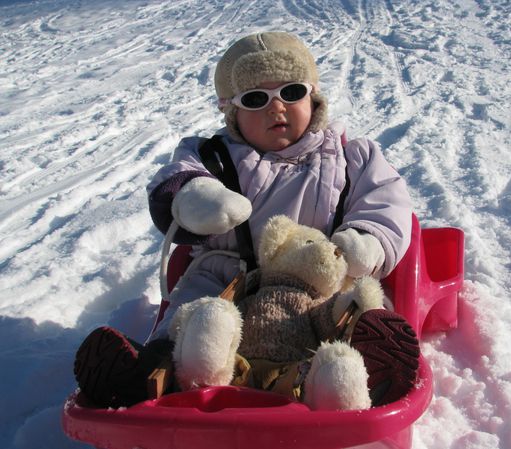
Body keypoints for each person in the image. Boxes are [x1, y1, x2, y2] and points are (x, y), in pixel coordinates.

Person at [74, 31, 414, 409]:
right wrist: (194, 197)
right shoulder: (214, 155)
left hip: (322, 279)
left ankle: (365, 375)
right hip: (224, 275)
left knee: (353, 310)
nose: (277, 108)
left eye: (291, 92)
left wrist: (365, 240)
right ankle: (147, 375)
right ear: (231, 111)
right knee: (193, 317)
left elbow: (386, 202)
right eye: (256, 99)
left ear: (313, 96)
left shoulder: (353, 157)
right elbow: (176, 179)